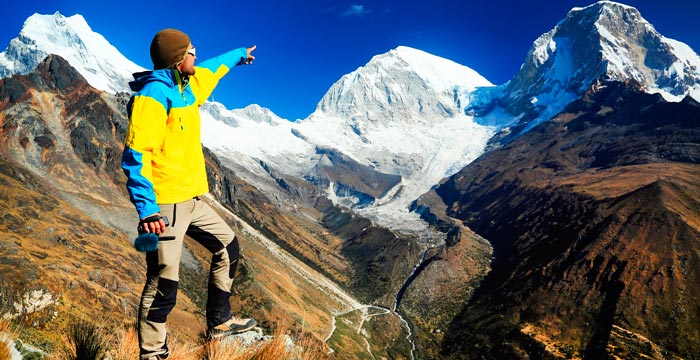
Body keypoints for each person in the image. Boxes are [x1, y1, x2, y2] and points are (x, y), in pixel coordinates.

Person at [121, 28, 257, 359]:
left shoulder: (186, 88)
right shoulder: (153, 96)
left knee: (228, 246)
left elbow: (212, 70)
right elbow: (136, 156)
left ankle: (220, 323)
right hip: (164, 208)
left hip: (192, 201)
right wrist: (147, 209)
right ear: (179, 58)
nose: (197, 55)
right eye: (193, 50)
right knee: (163, 285)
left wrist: (239, 54)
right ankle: (153, 354)